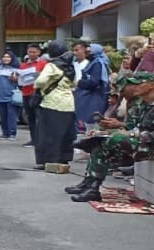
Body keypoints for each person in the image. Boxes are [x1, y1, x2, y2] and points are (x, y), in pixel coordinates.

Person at [66, 73, 154, 202]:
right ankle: (92, 186)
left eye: (140, 83)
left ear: (151, 85)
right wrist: (107, 131)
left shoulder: (144, 104)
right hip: (141, 142)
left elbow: (144, 133)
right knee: (99, 142)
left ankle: (93, 185)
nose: (136, 87)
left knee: (112, 140)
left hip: (149, 146)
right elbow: (134, 127)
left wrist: (128, 133)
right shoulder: (145, 104)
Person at [34, 40, 78, 170]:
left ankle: (48, 160)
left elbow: (40, 81)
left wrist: (37, 85)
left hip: (52, 103)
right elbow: (75, 83)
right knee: (65, 133)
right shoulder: (70, 66)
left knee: (48, 133)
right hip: (68, 103)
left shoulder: (52, 66)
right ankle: (63, 159)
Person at [73, 41, 107, 132]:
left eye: (89, 52)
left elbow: (94, 82)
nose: (87, 54)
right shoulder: (93, 62)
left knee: (90, 117)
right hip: (90, 94)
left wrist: (79, 82)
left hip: (94, 96)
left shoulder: (98, 63)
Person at [0, 50, 22, 140]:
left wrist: (16, 79)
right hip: (0, 96)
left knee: (12, 116)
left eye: (8, 57)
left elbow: (23, 81)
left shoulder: (17, 68)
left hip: (12, 96)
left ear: (12, 58)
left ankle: (12, 134)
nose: (6, 59)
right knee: (3, 116)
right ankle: (5, 133)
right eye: (4, 57)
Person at [19, 44, 47, 148]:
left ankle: (41, 139)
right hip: (26, 92)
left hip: (37, 93)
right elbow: (20, 80)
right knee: (30, 118)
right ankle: (33, 139)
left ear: (39, 52)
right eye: (30, 52)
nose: (31, 54)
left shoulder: (43, 64)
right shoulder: (23, 65)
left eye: (34, 52)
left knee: (39, 117)